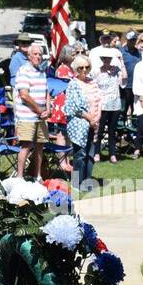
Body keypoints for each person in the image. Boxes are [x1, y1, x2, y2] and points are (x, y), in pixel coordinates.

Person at [64, 54, 100, 187]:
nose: (84, 70)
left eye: (87, 67)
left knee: (90, 154)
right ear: (76, 69)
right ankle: (76, 183)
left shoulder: (93, 82)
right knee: (80, 154)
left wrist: (96, 117)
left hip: (94, 123)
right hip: (79, 124)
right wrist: (89, 117)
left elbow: (99, 100)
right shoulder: (73, 84)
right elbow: (73, 107)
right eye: (81, 67)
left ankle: (87, 182)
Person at [15, 42, 49, 180]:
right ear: (29, 56)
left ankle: (37, 175)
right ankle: (20, 177)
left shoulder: (42, 71)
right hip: (27, 116)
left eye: (40, 54)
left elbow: (47, 92)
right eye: (35, 54)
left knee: (40, 146)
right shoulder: (23, 71)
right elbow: (24, 95)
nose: (38, 57)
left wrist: (48, 109)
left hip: (41, 116)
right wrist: (38, 109)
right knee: (26, 145)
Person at [94, 51, 122, 164]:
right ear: (102, 59)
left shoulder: (116, 70)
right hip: (103, 104)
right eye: (105, 58)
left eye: (109, 58)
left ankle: (112, 154)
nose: (107, 60)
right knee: (99, 130)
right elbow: (94, 87)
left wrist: (122, 62)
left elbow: (124, 79)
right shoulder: (97, 71)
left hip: (115, 105)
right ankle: (96, 152)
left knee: (112, 131)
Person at [119, 30, 141, 121]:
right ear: (127, 40)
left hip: (136, 85)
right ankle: (120, 127)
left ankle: (132, 128)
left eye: (134, 40)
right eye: (130, 40)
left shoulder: (139, 53)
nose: (132, 42)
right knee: (123, 108)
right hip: (124, 86)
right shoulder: (121, 52)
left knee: (135, 108)